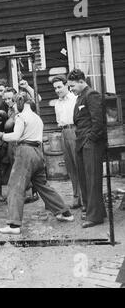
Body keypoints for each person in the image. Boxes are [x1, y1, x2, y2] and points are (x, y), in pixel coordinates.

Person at [0, 92, 74, 235]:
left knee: (15, 186)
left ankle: (13, 225)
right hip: (38, 152)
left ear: (20, 103)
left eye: (16, 105)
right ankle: (65, 212)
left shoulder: (21, 117)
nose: (15, 108)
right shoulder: (37, 118)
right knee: (42, 185)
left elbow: (15, 136)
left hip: (25, 152)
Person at [67, 69, 107, 228]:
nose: (71, 89)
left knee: (92, 180)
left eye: (72, 85)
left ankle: (95, 217)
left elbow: (98, 122)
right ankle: (97, 211)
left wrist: (90, 141)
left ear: (81, 81)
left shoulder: (91, 95)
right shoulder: (80, 97)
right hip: (82, 142)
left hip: (90, 144)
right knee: (86, 179)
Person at [52, 75, 82, 209]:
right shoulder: (57, 103)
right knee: (70, 167)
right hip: (63, 132)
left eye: (59, 87)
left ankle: (85, 198)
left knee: (79, 164)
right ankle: (77, 197)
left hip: (74, 131)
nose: (57, 90)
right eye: (55, 88)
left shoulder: (75, 99)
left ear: (66, 86)